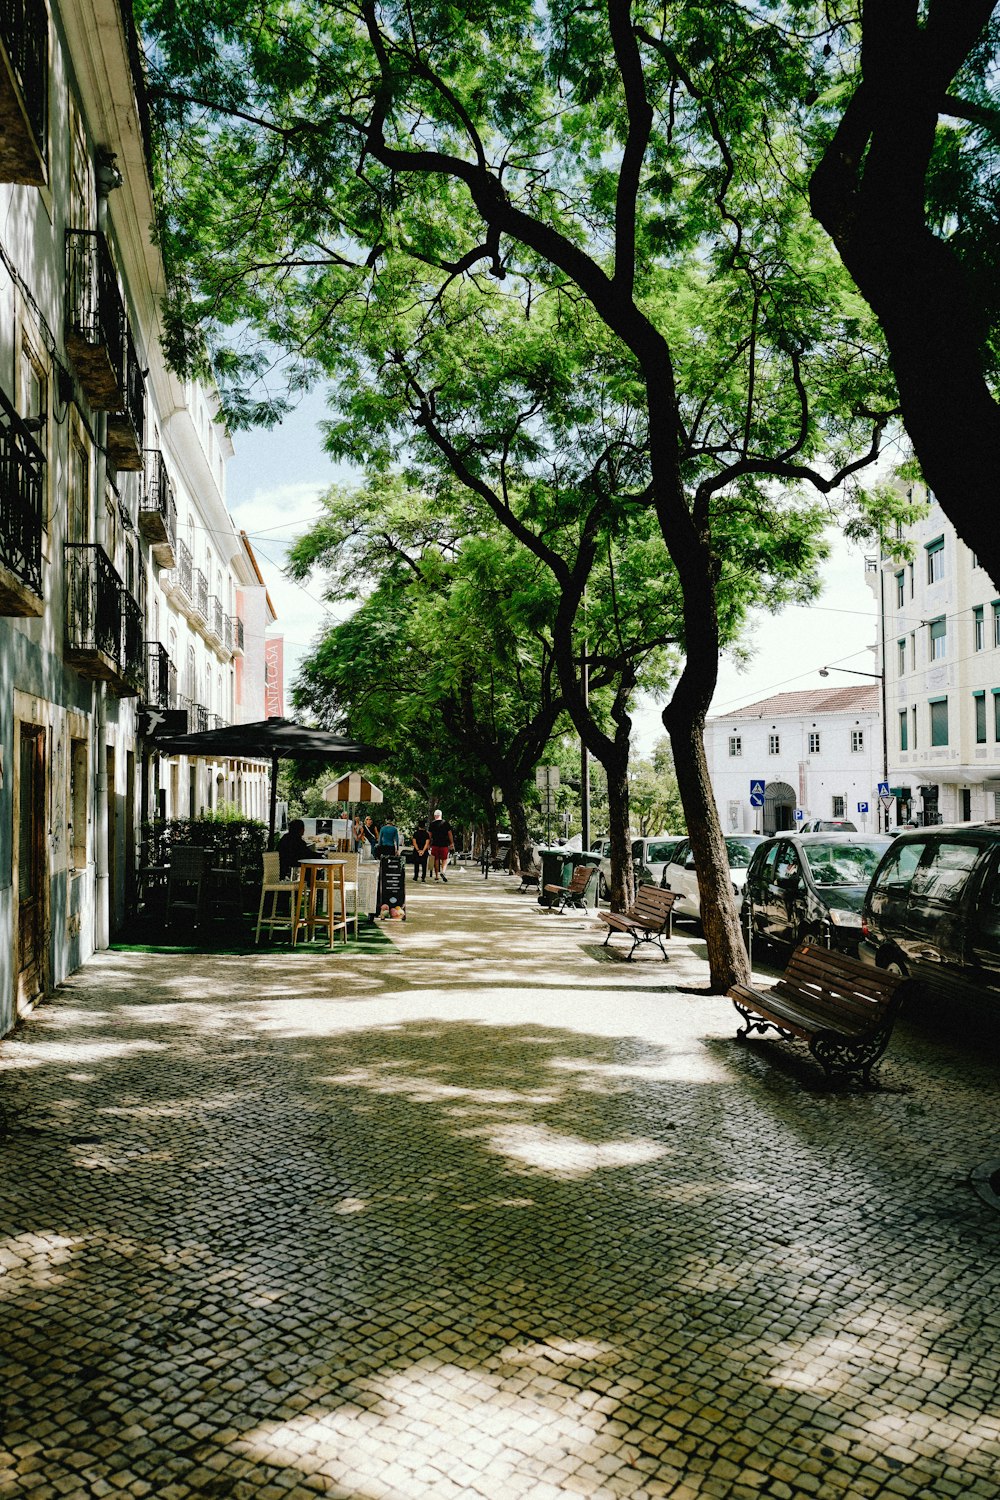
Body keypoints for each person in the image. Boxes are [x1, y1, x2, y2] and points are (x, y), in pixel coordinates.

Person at [428, 808, 455, 882]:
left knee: (436, 860)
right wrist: (451, 843)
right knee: (444, 859)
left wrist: (428, 844)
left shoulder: (432, 824)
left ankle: (436, 875)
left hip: (435, 844)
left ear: (434, 816)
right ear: (441, 815)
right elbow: (450, 834)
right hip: (444, 844)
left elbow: (429, 835)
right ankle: (443, 871)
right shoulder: (446, 823)